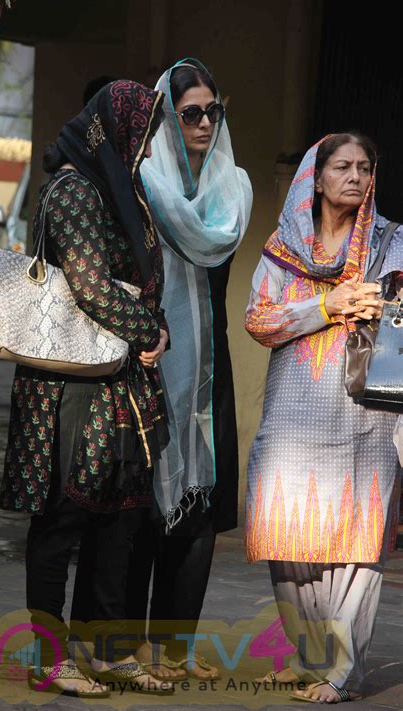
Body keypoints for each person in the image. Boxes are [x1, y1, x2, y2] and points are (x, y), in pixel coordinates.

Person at [0, 80, 175, 697]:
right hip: (70, 383)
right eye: (143, 137)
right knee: (64, 515)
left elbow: (142, 279)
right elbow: (90, 285)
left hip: (119, 379)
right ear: (115, 133)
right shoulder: (72, 190)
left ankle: (104, 648)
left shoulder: (118, 193)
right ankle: (48, 658)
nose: (147, 150)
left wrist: (152, 329)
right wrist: (148, 327)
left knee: (119, 516)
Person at [244, 133, 402, 703]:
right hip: (293, 412)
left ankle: (339, 670)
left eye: (365, 167)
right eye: (343, 166)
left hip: (365, 412)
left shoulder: (392, 244)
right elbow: (260, 321)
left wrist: (381, 307)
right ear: (317, 176)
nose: (355, 177)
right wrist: (327, 306)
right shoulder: (283, 246)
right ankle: (307, 655)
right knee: (289, 531)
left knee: (356, 540)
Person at [126, 58, 252, 680]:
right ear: (168, 121)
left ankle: (176, 650)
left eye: (213, 111)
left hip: (209, 370)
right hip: (150, 362)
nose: (204, 123)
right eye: (190, 113)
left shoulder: (234, 189)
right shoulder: (144, 184)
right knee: (147, 506)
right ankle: (131, 647)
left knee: (201, 506)